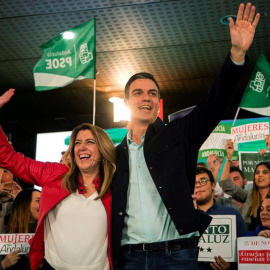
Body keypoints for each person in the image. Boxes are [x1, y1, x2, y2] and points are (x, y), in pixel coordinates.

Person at [111, 3, 260, 269]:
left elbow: (214, 102)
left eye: (152, 93)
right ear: (126, 102)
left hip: (177, 255)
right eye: (138, 93)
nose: (146, 97)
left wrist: (237, 54)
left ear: (158, 102)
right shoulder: (113, 155)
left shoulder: (179, 135)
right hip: (129, 258)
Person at [0, 123, 116, 270]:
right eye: (77, 143)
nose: (82, 147)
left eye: (90, 142)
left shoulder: (114, 184)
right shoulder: (56, 175)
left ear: (103, 149)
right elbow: (11, 160)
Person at [194, 167, 247, 270]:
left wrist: (231, 266)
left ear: (213, 185)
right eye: (194, 182)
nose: (198, 185)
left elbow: (244, 251)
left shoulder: (232, 214)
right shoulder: (183, 218)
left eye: (203, 181)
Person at [219, 139, 270, 230]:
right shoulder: (248, 195)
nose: (260, 175)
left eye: (265, 172)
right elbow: (225, 184)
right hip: (250, 241)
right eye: (257, 173)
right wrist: (229, 157)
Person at [0, 188, 41, 270]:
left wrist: (39, 262)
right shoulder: (4, 222)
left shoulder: (46, 227)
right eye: (38, 201)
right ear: (25, 203)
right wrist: (3, 264)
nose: (43, 204)